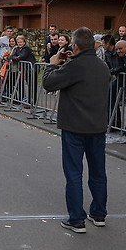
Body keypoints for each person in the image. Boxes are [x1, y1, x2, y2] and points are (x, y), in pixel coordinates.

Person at [42, 27, 110, 233]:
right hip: (97, 126)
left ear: (76, 46)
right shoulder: (103, 66)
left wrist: (52, 65)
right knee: (98, 172)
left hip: (74, 126)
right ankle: (99, 213)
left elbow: (48, 83)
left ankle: (76, 219)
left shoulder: (75, 66)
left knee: (73, 173)